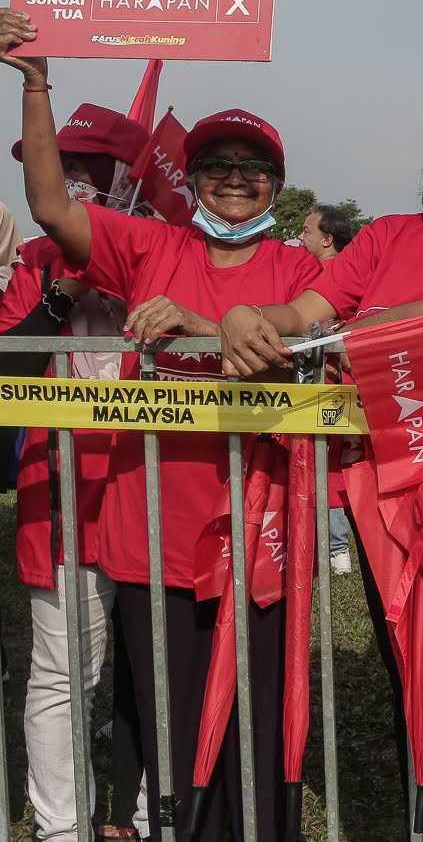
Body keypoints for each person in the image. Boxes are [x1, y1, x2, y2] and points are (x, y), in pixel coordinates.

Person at [2, 9, 326, 839]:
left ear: (276, 186)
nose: (233, 179)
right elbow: (47, 202)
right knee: (165, 710)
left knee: (249, 711)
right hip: (150, 528)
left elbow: (315, 348)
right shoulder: (151, 246)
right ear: (193, 176)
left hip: (254, 529)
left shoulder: (296, 265)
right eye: (216, 165)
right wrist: (38, 83)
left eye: (253, 169)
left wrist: (197, 325)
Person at [219, 83, 423, 840]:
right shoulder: (385, 237)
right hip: (380, 490)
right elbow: (305, 312)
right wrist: (246, 315)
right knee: (408, 661)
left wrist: (347, 330)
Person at [0, 101, 149, 842]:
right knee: (63, 672)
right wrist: (63, 295)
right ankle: (61, 827)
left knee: (157, 668)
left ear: (130, 180)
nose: (74, 184)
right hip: (60, 495)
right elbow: (4, 362)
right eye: (64, 168)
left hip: (159, 493)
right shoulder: (31, 263)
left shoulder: (168, 252)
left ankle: (151, 814)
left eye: (93, 169)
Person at [295, 202, 360, 574]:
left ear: (326, 238)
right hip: (324, 388)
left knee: (334, 470)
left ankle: (337, 549)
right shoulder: (308, 271)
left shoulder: (337, 276)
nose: (301, 236)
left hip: (341, 389)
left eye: (307, 230)